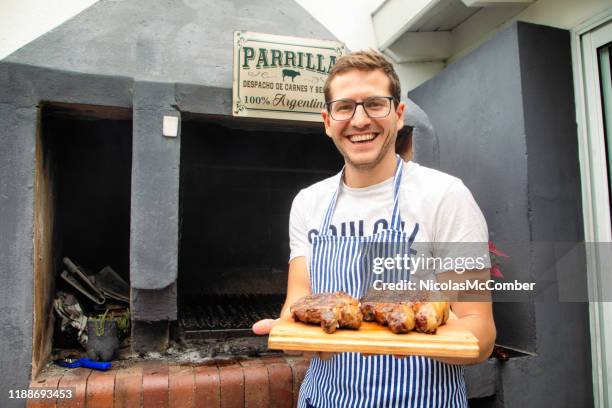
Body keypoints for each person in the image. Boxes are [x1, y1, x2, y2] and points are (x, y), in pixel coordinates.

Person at [253, 50, 496, 408]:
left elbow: (482, 332)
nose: (360, 119)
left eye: (375, 104)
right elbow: (297, 306)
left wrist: (416, 339)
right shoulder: (309, 202)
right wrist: (290, 335)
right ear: (327, 120)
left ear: (399, 116)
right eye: (345, 107)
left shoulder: (446, 196)